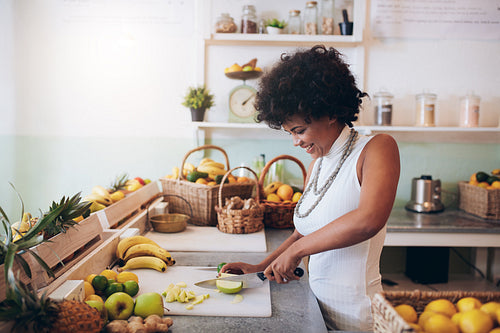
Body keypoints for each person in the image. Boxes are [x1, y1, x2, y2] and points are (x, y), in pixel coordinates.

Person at [220, 45, 400, 331]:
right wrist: (259, 267)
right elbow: (303, 233)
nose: (295, 142)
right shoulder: (317, 164)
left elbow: (368, 220)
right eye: (290, 132)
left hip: (358, 319)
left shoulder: (377, 148)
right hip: (316, 311)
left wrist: (297, 251)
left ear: (328, 112)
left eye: (299, 131)